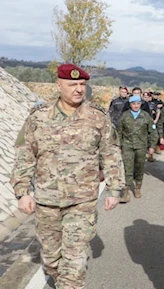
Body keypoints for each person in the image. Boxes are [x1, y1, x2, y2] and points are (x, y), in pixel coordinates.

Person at [11, 63, 125, 289]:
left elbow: (111, 153)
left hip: (82, 202)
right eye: (72, 84)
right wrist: (22, 192)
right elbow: (25, 156)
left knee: (74, 263)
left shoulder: (97, 117)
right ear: (58, 85)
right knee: (52, 260)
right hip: (47, 201)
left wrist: (114, 189)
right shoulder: (38, 118)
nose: (78, 89)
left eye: (82, 84)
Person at [117, 95, 158, 202]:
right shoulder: (124, 116)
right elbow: (118, 132)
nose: (136, 106)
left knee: (139, 168)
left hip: (141, 146)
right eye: (133, 104)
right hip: (127, 146)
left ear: (141, 104)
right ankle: (125, 192)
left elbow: (153, 132)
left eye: (138, 103)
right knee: (127, 168)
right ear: (130, 104)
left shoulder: (146, 116)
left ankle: (137, 188)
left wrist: (152, 146)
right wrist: (118, 146)